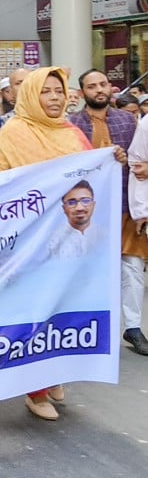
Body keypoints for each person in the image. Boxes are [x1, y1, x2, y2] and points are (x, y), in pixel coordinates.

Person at [0, 67, 125, 421]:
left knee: (64, 309)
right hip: (30, 245)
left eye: (58, 91)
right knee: (36, 311)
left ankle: (54, 372)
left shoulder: (72, 132)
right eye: (46, 92)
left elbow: (90, 177)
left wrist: (113, 160)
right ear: (31, 95)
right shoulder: (13, 133)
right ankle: (35, 389)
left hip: (69, 242)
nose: (54, 98)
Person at [69, 70, 143, 351]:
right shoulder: (72, 124)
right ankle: (86, 326)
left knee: (133, 268)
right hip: (85, 212)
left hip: (125, 205)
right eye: (92, 86)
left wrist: (131, 163)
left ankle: (134, 328)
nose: (99, 90)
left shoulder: (127, 121)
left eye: (102, 84)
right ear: (82, 92)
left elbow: (140, 161)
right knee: (87, 269)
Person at [124, 115, 148, 355]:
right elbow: (137, 166)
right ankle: (132, 327)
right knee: (133, 269)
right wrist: (140, 210)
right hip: (142, 211)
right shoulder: (146, 125)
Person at [46, 181, 103, 260]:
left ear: (93, 205)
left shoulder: (106, 236)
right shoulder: (52, 241)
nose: (79, 208)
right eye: (71, 202)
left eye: (85, 201)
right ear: (64, 208)